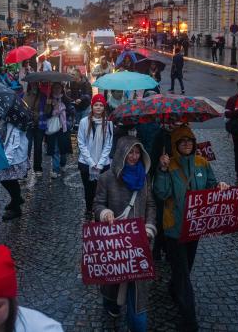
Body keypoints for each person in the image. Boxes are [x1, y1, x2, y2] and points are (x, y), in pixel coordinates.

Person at [154, 125, 228, 331]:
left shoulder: (202, 163)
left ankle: (173, 288)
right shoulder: (169, 165)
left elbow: (211, 187)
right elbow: (160, 193)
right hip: (174, 227)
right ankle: (189, 320)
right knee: (184, 274)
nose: (187, 144)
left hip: (195, 228)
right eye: (182, 141)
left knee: (185, 267)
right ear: (175, 145)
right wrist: (161, 170)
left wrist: (220, 186)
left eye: (190, 141)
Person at [93, 136, 155, 331]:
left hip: (140, 243)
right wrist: (104, 213)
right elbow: (97, 204)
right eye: (130, 152)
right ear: (121, 154)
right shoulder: (106, 178)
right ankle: (110, 301)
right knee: (112, 284)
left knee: (137, 296)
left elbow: (151, 204)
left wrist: (150, 227)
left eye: (137, 152)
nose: (134, 157)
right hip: (116, 243)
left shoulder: (144, 177)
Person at [78, 94, 113, 219]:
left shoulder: (108, 124)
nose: (98, 107)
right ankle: (88, 209)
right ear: (92, 106)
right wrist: (91, 162)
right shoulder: (83, 122)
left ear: (104, 107)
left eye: (101, 105)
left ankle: (100, 211)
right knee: (89, 189)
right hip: (86, 163)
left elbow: (108, 144)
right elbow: (81, 143)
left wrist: (101, 162)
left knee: (102, 190)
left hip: (103, 163)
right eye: (96, 105)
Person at [0, 118, 30, 221]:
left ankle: (16, 208)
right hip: (8, 154)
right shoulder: (7, 119)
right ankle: (16, 199)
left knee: (8, 180)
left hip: (12, 157)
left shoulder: (15, 121)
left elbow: (13, 142)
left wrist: (7, 160)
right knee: (8, 180)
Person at [45, 82, 74, 179]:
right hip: (53, 127)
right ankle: (55, 169)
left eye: (59, 88)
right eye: (55, 88)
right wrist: (53, 110)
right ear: (52, 89)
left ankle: (63, 164)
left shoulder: (66, 99)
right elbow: (46, 114)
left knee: (63, 149)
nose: (57, 90)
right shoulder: (49, 100)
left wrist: (63, 110)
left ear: (62, 89)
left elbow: (71, 111)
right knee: (55, 148)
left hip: (63, 127)